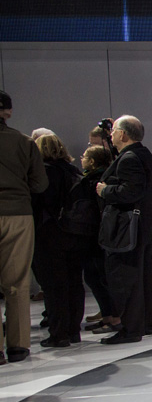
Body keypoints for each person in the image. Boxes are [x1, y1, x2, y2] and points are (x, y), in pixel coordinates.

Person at [96, 115, 152, 344]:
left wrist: (105, 190)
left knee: (127, 279)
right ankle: (151, 324)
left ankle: (131, 329)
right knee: (148, 278)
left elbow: (131, 191)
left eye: (114, 130)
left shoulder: (129, 158)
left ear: (123, 134)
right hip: (148, 226)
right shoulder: (144, 154)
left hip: (130, 229)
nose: (111, 134)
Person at [0, 90, 48, 363]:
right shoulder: (24, 142)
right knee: (17, 283)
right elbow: (40, 184)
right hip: (18, 214)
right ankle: (18, 347)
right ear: (8, 112)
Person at [31, 134, 87, 348]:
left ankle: (58, 333)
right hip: (76, 233)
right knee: (75, 282)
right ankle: (73, 330)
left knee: (54, 286)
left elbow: (38, 204)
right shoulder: (73, 171)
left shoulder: (43, 173)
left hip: (49, 234)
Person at [78, 146, 120, 334]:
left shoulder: (95, 181)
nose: (82, 159)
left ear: (92, 161)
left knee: (101, 277)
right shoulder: (97, 178)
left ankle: (113, 317)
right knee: (96, 277)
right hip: (97, 234)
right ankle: (107, 316)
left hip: (96, 235)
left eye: (85, 156)